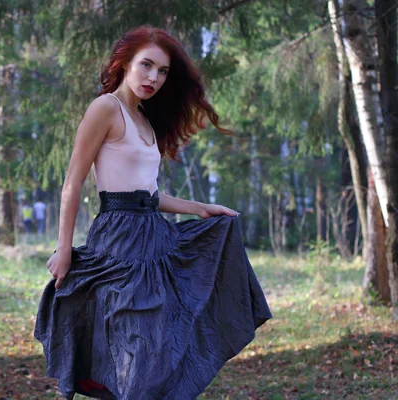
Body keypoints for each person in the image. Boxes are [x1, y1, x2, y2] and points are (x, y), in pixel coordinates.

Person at [34, 26, 272, 400]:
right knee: (137, 353)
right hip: (120, 245)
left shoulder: (143, 119)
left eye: (162, 71)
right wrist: (63, 249)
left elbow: (147, 195)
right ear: (124, 62)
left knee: (160, 351)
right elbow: (73, 183)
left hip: (155, 240)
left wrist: (200, 208)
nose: (153, 78)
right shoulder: (105, 108)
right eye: (146, 65)